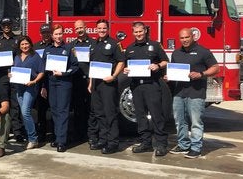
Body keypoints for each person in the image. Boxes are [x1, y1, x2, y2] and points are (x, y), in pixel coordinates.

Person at [167, 28, 219, 159]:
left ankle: (196, 148)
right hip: (179, 93)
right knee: (180, 121)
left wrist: (201, 74)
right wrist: (169, 76)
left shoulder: (203, 52)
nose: (184, 40)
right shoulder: (176, 53)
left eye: (187, 37)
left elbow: (215, 68)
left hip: (196, 93)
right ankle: (183, 145)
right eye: (182, 38)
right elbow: (173, 70)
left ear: (193, 37)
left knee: (196, 122)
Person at [123, 21, 169, 156]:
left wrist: (158, 66)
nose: (138, 34)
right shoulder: (130, 48)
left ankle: (161, 144)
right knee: (140, 116)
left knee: (156, 115)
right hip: (136, 86)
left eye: (140, 31)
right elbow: (126, 65)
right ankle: (145, 143)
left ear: (145, 31)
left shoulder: (155, 45)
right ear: (133, 33)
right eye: (136, 32)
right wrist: (126, 70)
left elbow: (166, 61)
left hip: (152, 85)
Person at [87, 19, 125, 154]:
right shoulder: (93, 44)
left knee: (110, 113)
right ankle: (103, 140)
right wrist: (91, 82)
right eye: (99, 28)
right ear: (96, 29)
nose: (101, 31)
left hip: (108, 84)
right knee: (99, 113)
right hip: (96, 84)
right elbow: (92, 65)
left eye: (104, 28)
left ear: (108, 29)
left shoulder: (115, 44)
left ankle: (113, 142)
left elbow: (121, 62)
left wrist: (114, 76)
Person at [42, 24, 78, 152]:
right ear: (52, 36)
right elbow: (44, 70)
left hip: (64, 83)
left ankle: (62, 141)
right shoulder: (47, 50)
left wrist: (64, 73)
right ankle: (57, 137)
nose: (58, 36)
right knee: (55, 110)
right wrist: (43, 87)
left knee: (63, 110)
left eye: (60, 33)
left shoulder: (69, 48)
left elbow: (75, 66)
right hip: (51, 83)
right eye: (56, 34)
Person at [0, 18, 25, 143]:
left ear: (12, 26)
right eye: (4, 25)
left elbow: (24, 56)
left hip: (15, 75)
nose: (6, 27)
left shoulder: (18, 40)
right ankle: (4, 131)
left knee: (15, 104)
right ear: (1, 27)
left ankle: (17, 132)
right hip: (1, 77)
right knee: (3, 104)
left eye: (8, 25)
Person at [11, 36, 44, 149]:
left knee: (25, 112)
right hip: (19, 88)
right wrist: (10, 75)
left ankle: (33, 139)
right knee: (24, 113)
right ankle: (30, 136)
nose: (25, 46)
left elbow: (41, 72)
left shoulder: (35, 56)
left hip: (30, 87)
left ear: (30, 44)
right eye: (22, 45)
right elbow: (14, 70)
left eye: (26, 44)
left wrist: (34, 81)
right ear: (19, 46)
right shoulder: (17, 57)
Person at [67, 19, 93, 144]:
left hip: (89, 80)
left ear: (85, 27)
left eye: (81, 27)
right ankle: (78, 134)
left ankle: (91, 135)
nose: (79, 30)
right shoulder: (72, 45)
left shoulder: (93, 43)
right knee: (77, 109)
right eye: (77, 28)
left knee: (91, 109)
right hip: (76, 80)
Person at [33, 23, 53, 143]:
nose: (46, 35)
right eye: (43, 33)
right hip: (40, 81)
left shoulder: (55, 46)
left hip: (52, 80)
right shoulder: (35, 47)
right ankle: (42, 133)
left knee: (54, 108)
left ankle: (55, 133)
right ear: (41, 34)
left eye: (47, 32)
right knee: (41, 110)